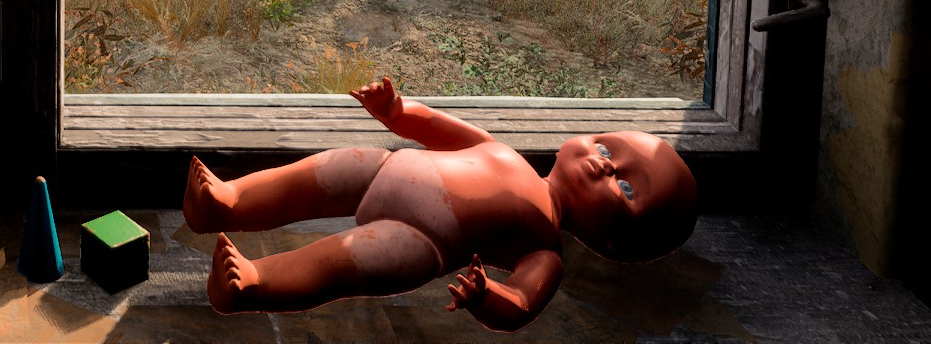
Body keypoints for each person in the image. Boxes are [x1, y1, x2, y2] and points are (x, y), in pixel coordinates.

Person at [187, 77, 697, 329]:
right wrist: (397, 110)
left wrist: (486, 296)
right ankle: (227, 203)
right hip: (389, 169)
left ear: (613, 242)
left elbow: (522, 303)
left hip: (420, 242)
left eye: (625, 189)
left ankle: (252, 284)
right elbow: (437, 128)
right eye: (608, 149)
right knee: (322, 171)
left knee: (339, 261)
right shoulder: (504, 152)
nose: (604, 165)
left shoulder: (544, 249)